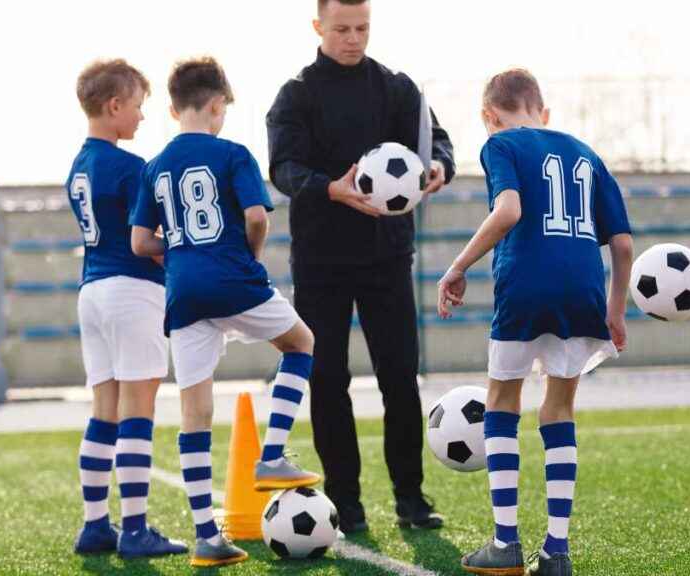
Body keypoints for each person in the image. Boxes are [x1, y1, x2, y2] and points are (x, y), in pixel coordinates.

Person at [266, 0, 455, 533]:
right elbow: (283, 167)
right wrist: (331, 188)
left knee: (400, 378)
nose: (353, 38)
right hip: (322, 260)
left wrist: (439, 165)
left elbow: (435, 142)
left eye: (363, 28)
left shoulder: (398, 88)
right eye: (342, 28)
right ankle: (345, 504)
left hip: (387, 256)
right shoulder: (296, 95)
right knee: (327, 380)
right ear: (318, 27)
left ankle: (411, 500)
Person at [442, 68, 633, 576]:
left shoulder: (500, 145)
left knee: (502, 400)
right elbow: (623, 243)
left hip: (525, 287)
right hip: (583, 290)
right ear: (542, 111)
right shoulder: (586, 153)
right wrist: (614, 310)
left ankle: (506, 543)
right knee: (558, 409)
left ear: (489, 115)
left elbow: (508, 211)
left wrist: (458, 266)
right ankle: (557, 551)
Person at [130, 57, 319, 567]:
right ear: (217, 105)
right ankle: (273, 454)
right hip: (234, 276)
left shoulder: (154, 167)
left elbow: (140, 239)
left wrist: (181, 252)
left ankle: (207, 538)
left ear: (172, 108)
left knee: (196, 412)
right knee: (301, 343)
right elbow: (257, 216)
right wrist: (249, 254)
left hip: (183, 291)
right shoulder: (232, 153)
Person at [67, 59, 187, 559]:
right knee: (139, 410)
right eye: (137, 106)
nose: (141, 117)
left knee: (104, 413)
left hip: (92, 292)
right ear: (114, 106)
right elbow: (146, 240)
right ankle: (135, 529)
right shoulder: (130, 166)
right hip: (131, 290)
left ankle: (96, 526)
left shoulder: (79, 164)